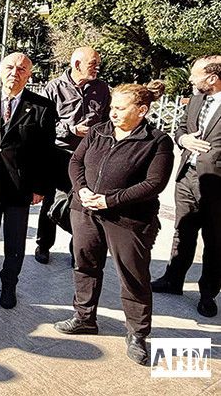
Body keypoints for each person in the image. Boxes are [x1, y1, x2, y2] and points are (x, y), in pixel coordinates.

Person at [54, 81, 173, 366]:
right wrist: (81, 190)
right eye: (112, 107)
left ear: (142, 110)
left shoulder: (157, 141)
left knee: (132, 275)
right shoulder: (98, 131)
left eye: (121, 108)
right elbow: (76, 162)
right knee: (85, 264)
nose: (114, 113)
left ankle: (137, 334)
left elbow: (154, 183)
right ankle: (84, 317)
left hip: (128, 219)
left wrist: (110, 200)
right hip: (85, 211)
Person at [0, 52, 55, 309]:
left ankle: (9, 284)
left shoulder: (41, 106)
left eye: (21, 69)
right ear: (0, 70)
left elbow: (46, 152)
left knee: (15, 239)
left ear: (29, 75)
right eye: (10, 67)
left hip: (20, 185)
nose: (14, 72)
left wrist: (41, 188)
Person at [152, 56, 221, 318]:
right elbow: (181, 127)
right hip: (186, 177)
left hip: (216, 184)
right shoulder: (195, 100)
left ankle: (208, 294)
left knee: (214, 240)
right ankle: (173, 279)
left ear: (212, 78)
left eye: (195, 74)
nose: (190, 78)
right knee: (182, 230)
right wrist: (184, 140)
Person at [36, 47, 111, 264]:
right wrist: (71, 129)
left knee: (81, 203)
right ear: (77, 65)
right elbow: (44, 123)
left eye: (98, 64)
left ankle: (76, 248)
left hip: (89, 155)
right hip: (59, 153)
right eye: (93, 63)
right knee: (52, 201)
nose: (97, 68)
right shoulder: (54, 88)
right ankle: (43, 244)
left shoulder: (102, 89)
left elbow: (108, 120)